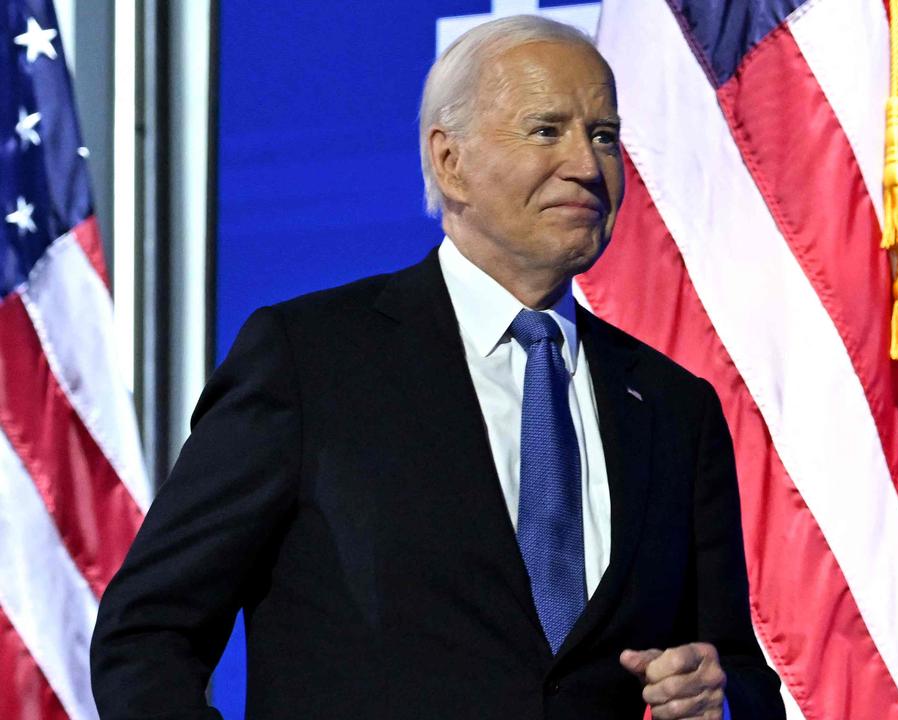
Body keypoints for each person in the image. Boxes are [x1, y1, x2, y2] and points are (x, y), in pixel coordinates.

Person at [90, 15, 784, 720]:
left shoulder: (672, 407)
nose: (586, 164)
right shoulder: (309, 359)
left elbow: (738, 672)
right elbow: (147, 637)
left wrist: (718, 699)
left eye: (603, 135)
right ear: (449, 161)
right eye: (546, 130)